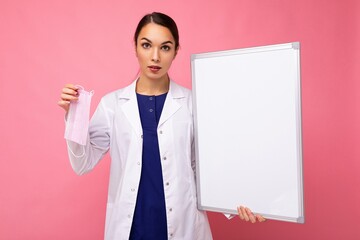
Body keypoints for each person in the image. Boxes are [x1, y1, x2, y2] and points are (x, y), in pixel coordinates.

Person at [58, 12, 265, 240]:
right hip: (131, 229)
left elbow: (205, 168)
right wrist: (73, 116)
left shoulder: (192, 103)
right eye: (146, 45)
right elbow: (82, 163)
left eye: (165, 48)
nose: (155, 56)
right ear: (135, 47)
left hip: (184, 226)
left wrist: (245, 201)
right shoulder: (113, 105)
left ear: (176, 51)